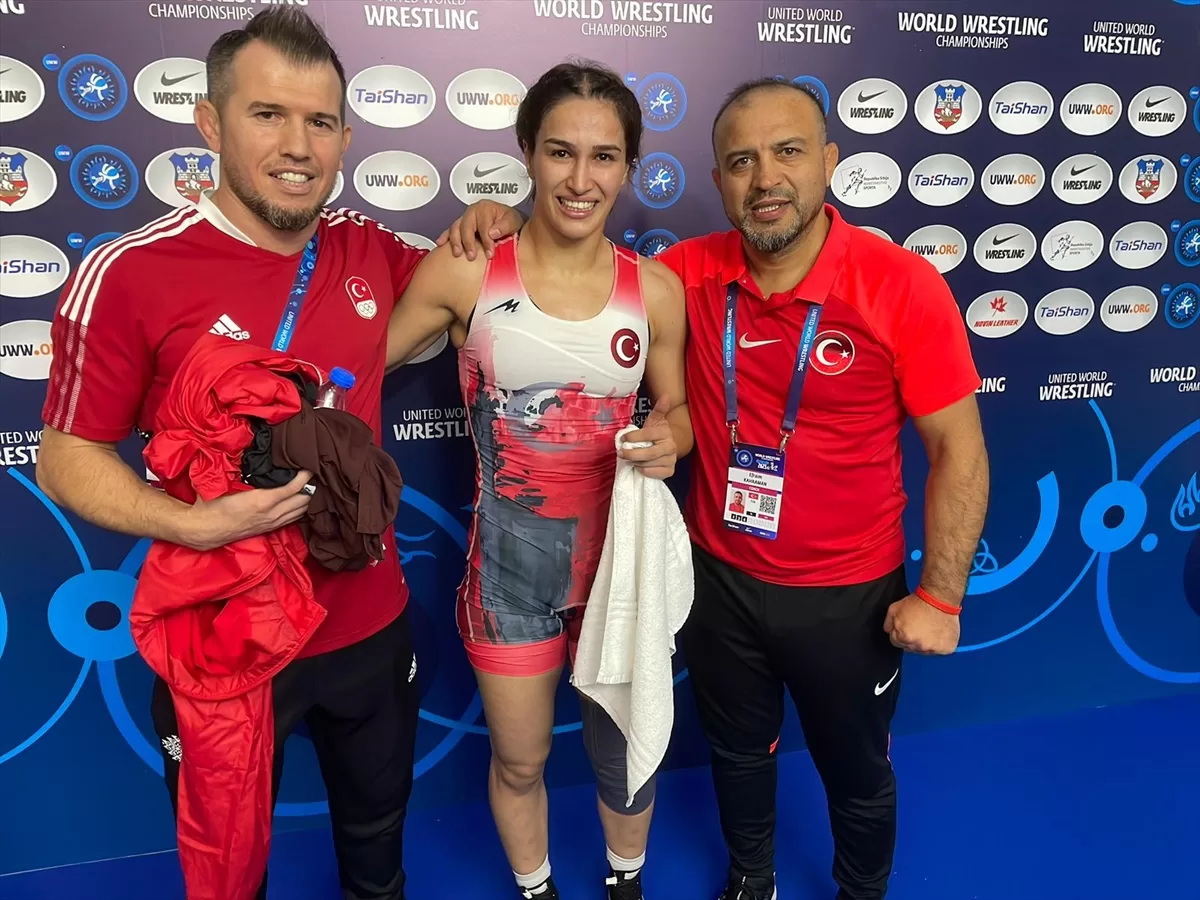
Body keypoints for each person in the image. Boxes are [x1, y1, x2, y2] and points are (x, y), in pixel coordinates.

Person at [443, 76, 990, 900]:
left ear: (830, 162)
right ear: (719, 180)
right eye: (741, 161)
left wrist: (942, 596)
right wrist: (502, 220)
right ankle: (750, 881)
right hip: (721, 579)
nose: (765, 178)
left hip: (846, 590)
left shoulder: (900, 283)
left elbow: (960, 449)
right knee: (737, 754)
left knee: (856, 768)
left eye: (787, 152)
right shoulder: (682, 275)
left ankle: (860, 892)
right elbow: (573, 262)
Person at [34, 9, 518, 899]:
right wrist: (195, 523)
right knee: (230, 878)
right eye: (268, 115)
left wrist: (496, 217)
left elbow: (485, 276)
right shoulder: (129, 272)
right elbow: (64, 458)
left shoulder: (368, 247)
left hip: (368, 626)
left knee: (377, 853)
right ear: (210, 124)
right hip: (225, 639)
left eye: (320, 121)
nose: (298, 146)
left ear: (345, 139)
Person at [384, 62, 691, 900]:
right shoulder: (466, 272)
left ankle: (625, 882)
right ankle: (537, 888)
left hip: (617, 576)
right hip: (507, 579)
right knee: (520, 761)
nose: (580, 179)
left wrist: (672, 436)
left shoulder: (655, 291)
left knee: (624, 758)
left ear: (629, 167)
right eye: (560, 152)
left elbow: (680, 411)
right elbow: (355, 363)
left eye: (604, 156)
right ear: (527, 152)